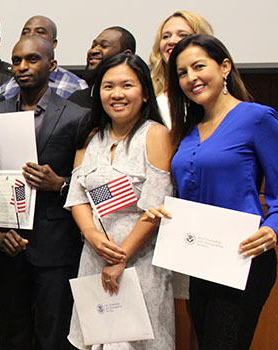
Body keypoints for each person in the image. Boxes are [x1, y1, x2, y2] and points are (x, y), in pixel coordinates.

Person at [147, 34, 278, 350]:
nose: (190, 78)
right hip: (200, 259)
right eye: (181, 73)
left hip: (244, 257)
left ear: (224, 67)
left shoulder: (256, 117)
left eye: (198, 66)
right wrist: (164, 211)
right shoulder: (188, 129)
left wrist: (273, 227)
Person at [0, 35, 89, 350]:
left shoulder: (75, 115)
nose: (22, 67)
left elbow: (86, 178)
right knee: (13, 330)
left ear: (52, 66)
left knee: (53, 332)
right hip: (9, 243)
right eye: (16, 60)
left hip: (56, 244)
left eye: (32, 59)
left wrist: (59, 184)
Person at [65, 53, 175, 349]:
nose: (116, 94)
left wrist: (121, 257)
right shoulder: (91, 137)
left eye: (127, 85)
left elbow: (155, 207)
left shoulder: (155, 135)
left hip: (139, 263)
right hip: (93, 257)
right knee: (95, 339)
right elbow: (78, 196)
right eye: (108, 86)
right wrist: (91, 235)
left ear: (144, 92)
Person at [0, 16, 88, 100]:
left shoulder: (76, 86)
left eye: (40, 32)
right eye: (25, 32)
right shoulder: (6, 88)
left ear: (54, 43)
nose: (31, 35)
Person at [149, 11, 213, 128]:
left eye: (182, 35)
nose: (172, 41)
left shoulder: (210, 93)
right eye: (166, 36)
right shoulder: (150, 92)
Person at [68, 27, 136, 108]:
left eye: (104, 46)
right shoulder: (76, 100)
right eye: (93, 46)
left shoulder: (134, 99)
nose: (93, 51)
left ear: (126, 55)